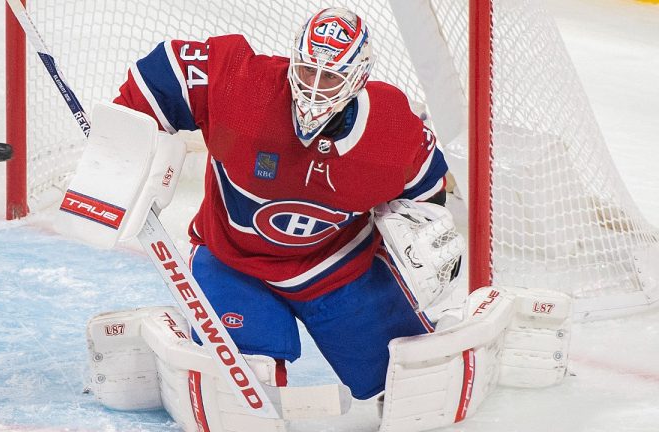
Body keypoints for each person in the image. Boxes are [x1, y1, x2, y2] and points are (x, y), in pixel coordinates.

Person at [112, 7, 452, 401]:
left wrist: (418, 233)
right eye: (308, 70)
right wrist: (121, 143)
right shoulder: (242, 86)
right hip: (233, 262)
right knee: (242, 391)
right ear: (294, 60)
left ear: (358, 78)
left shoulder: (392, 128)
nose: (315, 88)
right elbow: (161, 74)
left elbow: (429, 196)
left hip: (338, 269)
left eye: (331, 77)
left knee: (410, 388)